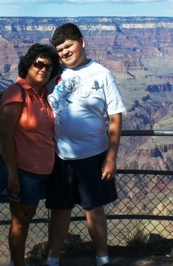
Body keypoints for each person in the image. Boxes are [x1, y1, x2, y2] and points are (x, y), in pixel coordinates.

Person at [45, 23, 126, 266]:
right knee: (59, 212)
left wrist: (111, 157)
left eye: (68, 46)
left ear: (82, 42)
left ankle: (102, 259)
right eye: (59, 50)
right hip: (60, 157)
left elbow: (115, 117)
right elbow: (29, 79)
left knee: (94, 210)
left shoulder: (102, 75)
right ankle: (52, 260)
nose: (64, 53)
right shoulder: (54, 74)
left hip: (93, 155)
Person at [0, 43, 61, 266]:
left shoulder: (43, 93)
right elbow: (5, 135)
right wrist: (12, 174)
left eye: (48, 67)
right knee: (20, 222)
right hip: (22, 171)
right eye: (38, 64)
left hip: (41, 169)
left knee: (27, 218)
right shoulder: (17, 92)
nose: (43, 69)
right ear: (27, 65)